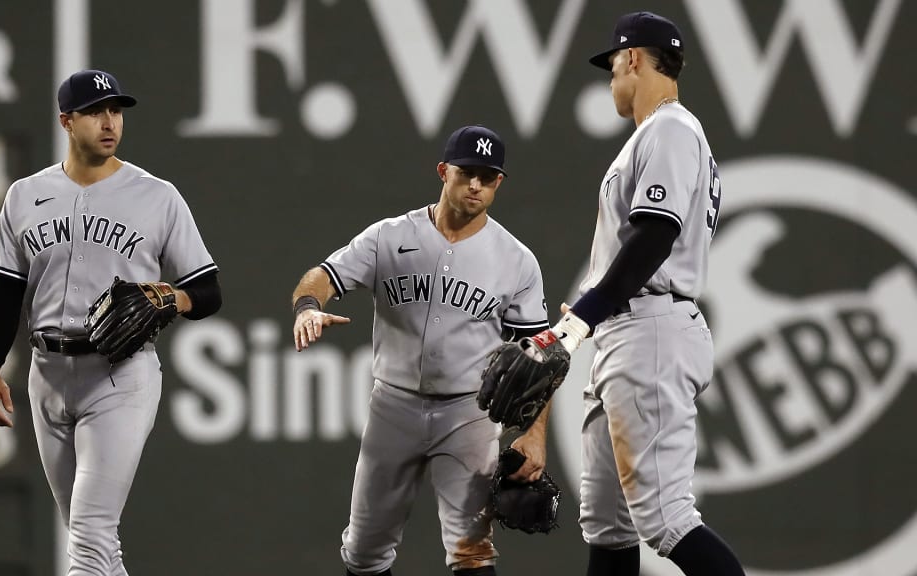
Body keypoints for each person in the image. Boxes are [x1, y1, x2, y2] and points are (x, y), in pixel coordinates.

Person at [521, 12, 745, 576]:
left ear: (635, 59)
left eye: (614, 67)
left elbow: (653, 237)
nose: (612, 80)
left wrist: (576, 326)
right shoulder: (661, 134)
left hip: (648, 329)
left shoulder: (671, 128)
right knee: (607, 527)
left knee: (668, 521)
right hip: (630, 332)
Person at [0, 69, 222, 576]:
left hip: (119, 374)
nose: (109, 122)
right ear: (67, 121)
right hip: (46, 373)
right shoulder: (24, 195)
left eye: (115, 110)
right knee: (95, 544)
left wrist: (166, 297)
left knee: (87, 539)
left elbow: (207, 291)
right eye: (94, 112)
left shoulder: (157, 196)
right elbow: (5, 290)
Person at [290, 125, 551, 576]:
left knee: (472, 550)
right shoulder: (388, 237)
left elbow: (537, 356)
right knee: (364, 552)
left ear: (499, 183)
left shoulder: (516, 259)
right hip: (394, 406)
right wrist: (308, 308)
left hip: (469, 413)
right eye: (466, 172)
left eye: (487, 177)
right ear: (443, 170)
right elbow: (322, 275)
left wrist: (535, 433)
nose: (475, 185)